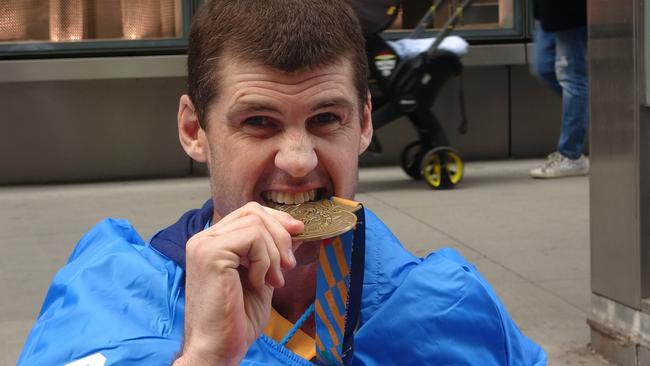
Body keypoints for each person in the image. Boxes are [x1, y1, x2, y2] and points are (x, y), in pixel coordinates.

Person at [18, 1, 546, 365]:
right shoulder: (103, 303)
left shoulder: (451, 307)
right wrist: (204, 356)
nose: (297, 161)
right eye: (258, 122)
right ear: (193, 130)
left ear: (363, 123)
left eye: (324, 119)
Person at [530, 0, 589, 179]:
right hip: (549, 11)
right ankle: (584, 113)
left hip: (568, 11)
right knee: (544, 67)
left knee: (571, 77)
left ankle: (571, 155)